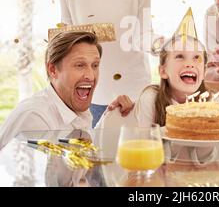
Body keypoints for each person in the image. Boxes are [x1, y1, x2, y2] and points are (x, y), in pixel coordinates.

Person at [0, 31, 133, 150]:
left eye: (95, 65)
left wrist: (111, 117)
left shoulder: (73, 106)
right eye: (80, 65)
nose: (91, 76)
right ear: (53, 70)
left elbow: (82, 160)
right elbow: (40, 176)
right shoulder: (35, 118)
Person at [133, 8, 219, 127]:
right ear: (163, 71)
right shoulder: (151, 99)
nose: (189, 64)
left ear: (204, 72)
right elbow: (147, 142)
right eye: (180, 56)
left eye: (196, 57)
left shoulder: (212, 102)